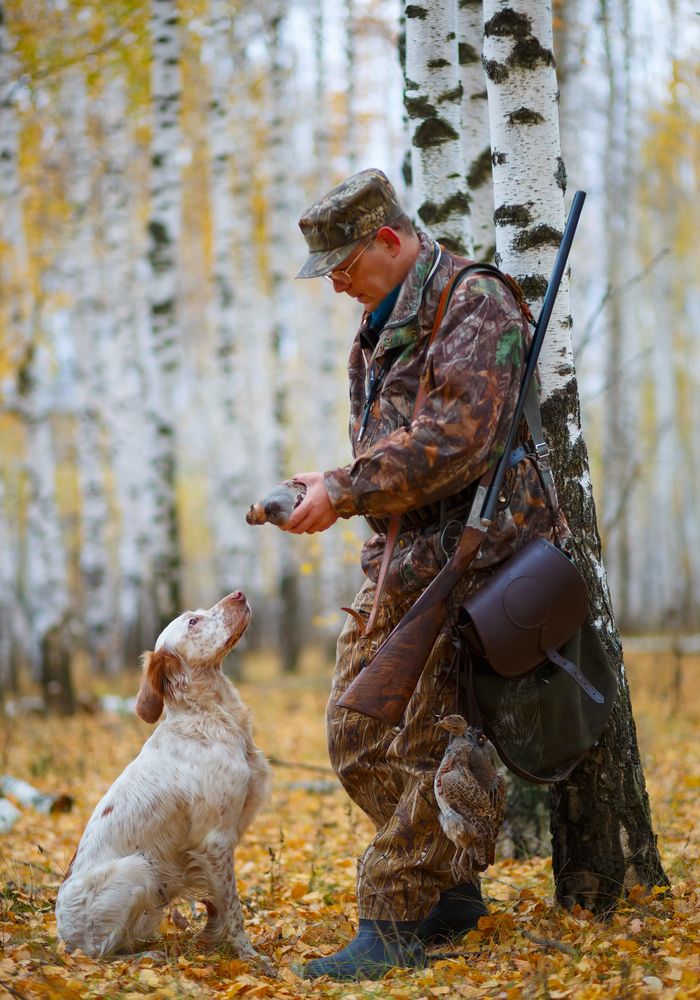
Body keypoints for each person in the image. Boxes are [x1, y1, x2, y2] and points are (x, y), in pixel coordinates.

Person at [281, 168, 557, 980]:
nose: (334, 285)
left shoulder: (474, 302)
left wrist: (344, 488)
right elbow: (386, 455)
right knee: (353, 733)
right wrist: (333, 484)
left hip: (478, 564)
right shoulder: (378, 325)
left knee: (437, 740)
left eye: (342, 266)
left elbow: (459, 439)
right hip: (401, 562)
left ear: (390, 241)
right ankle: (455, 892)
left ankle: (396, 913)